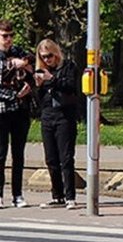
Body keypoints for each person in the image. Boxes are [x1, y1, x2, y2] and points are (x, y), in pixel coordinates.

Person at [33, 39, 79, 210]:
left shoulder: (68, 67)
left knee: (65, 157)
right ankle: (57, 195)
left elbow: (69, 87)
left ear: (56, 53)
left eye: (50, 56)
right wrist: (38, 86)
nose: (47, 60)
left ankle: (70, 196)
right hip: (48, 115)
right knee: (51, 158)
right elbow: (40, 100)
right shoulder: (42, 70)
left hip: (64, 115)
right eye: (43, 57)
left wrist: (51, 79)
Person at [0, 19, 33, 208]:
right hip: (2, 111)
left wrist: (24, 64)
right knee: (0, 153)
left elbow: (30, 60)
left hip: (20, 111)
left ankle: (17, 194)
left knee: (18, 154)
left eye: (11, 36)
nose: (9, 40)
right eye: (5, 36)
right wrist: (14, 94)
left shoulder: (17, 52)